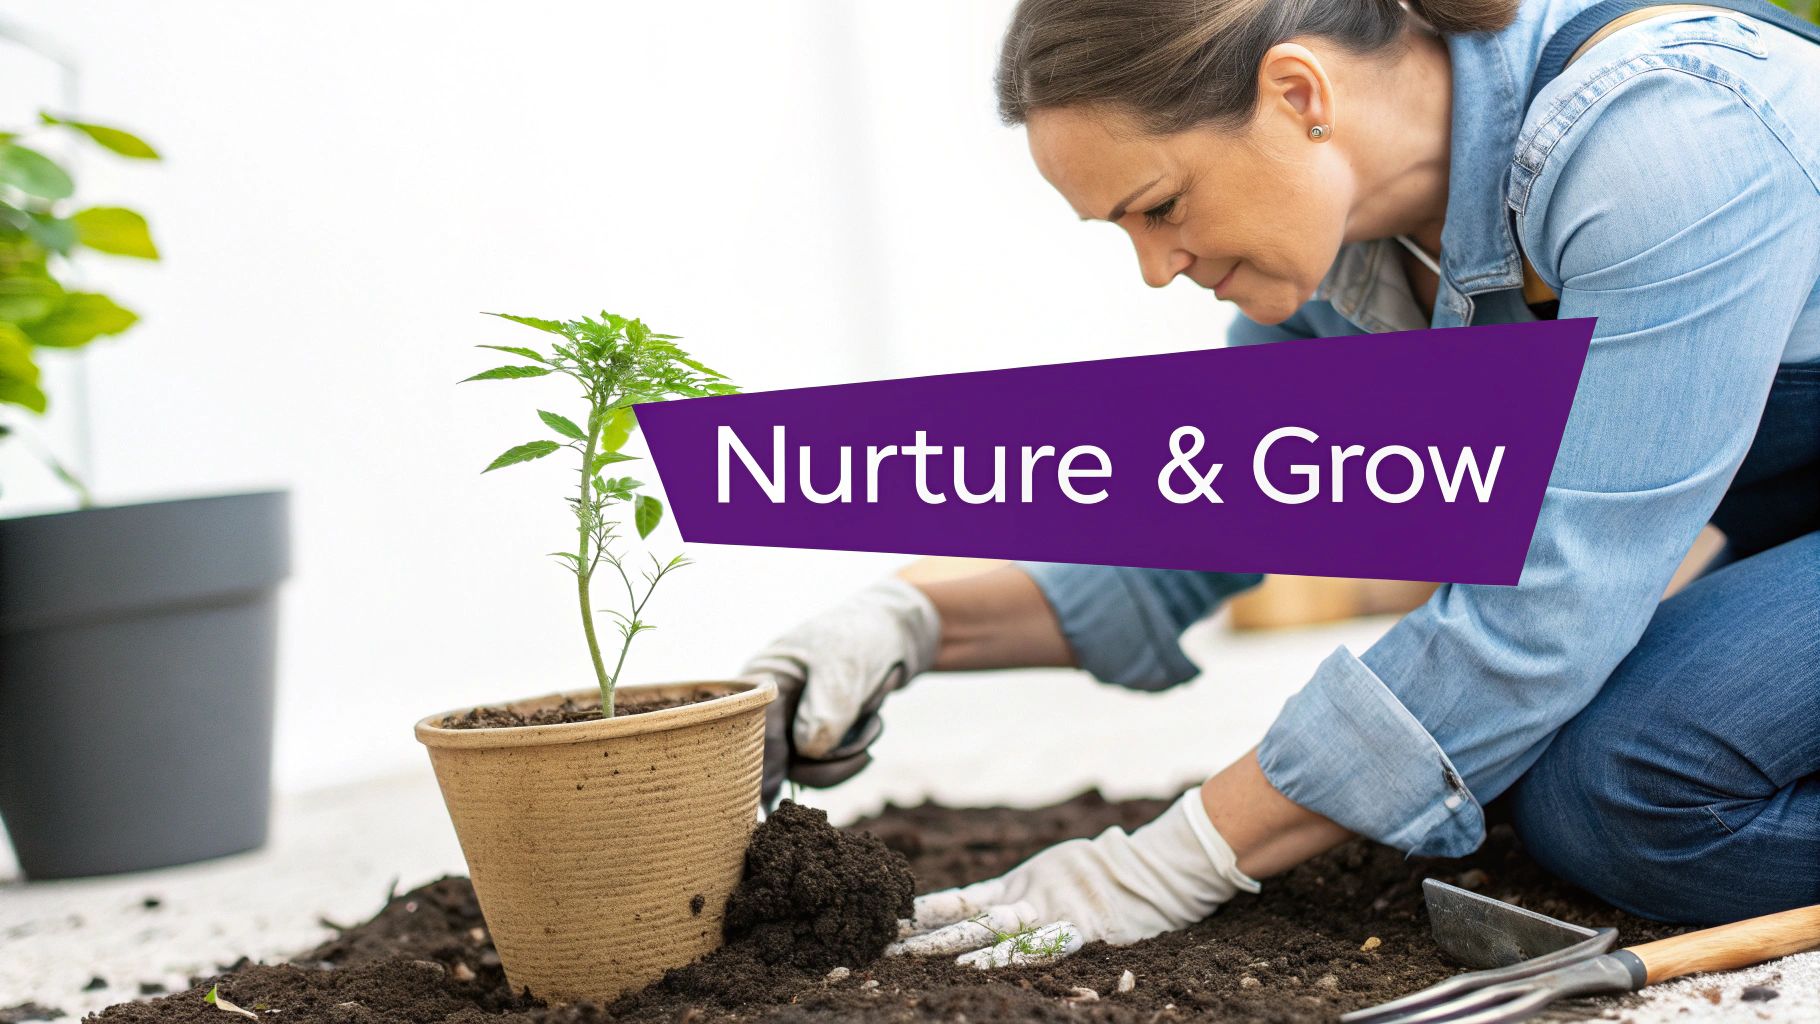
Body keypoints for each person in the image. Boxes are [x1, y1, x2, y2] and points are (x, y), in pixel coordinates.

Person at [742, 0, 1820, 968]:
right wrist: (907, 623)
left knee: (1627, 787)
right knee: (1502, 775)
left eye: (1160, 205)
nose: (1154, 267)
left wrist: (1168, 861)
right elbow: (1196, 525)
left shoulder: (1666, 137)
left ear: (1299, 93)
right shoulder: (1355, 262)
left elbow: (1551, 608)